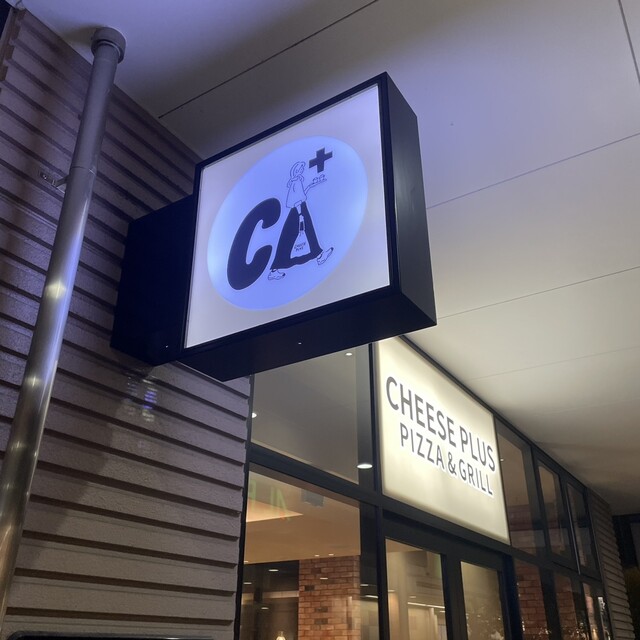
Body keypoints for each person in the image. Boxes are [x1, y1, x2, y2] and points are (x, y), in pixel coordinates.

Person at [268, 160, 333, 280]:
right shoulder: (295, 181)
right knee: (290, 238)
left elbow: (300, 194)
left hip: (300, 208)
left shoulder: (298, 181)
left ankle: (319, 255)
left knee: (304, 234)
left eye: (302, 169)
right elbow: (292, 200)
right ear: (295, 171)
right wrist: (300, 213)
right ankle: (274, 269)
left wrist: (311, 185)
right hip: (298, 210)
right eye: (299, 169)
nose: (301, 171)